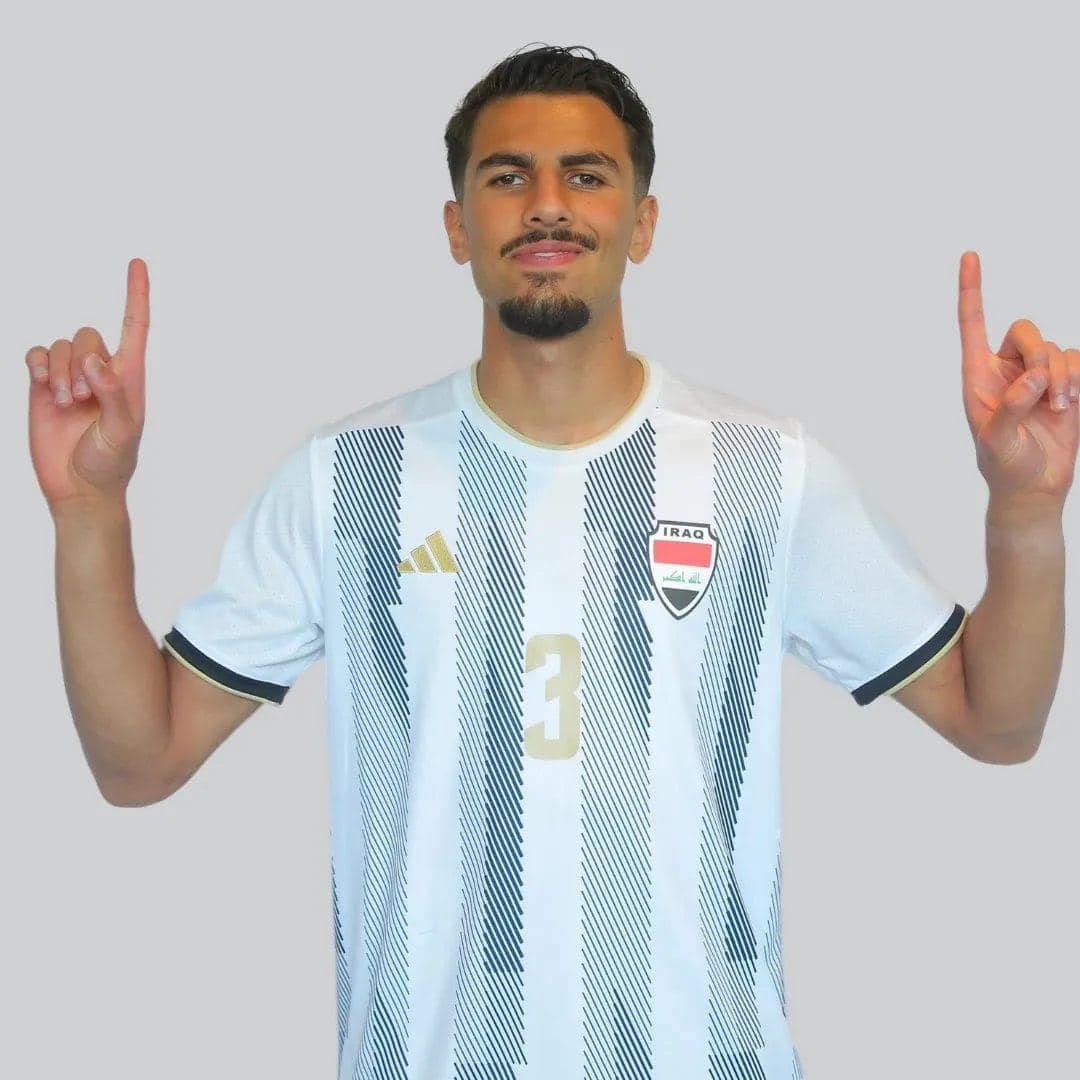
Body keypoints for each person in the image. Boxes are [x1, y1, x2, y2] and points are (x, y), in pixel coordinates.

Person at [26, 42, 1073, 1080]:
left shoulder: (767, 471)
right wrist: (90, 511)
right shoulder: (347, 478)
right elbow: (139, 764)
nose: (547, 205)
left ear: (643, 222)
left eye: (586, 174)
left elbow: (997, 723)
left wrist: (1025, 512)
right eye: (506, 176)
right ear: (457, 226)